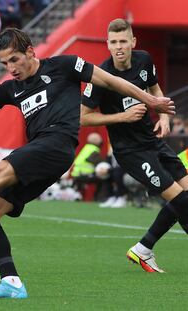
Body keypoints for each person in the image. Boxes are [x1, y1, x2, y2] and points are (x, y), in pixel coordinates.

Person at [0, 28, 174, 299]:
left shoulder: (64, 65)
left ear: (30, 52)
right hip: (41, 152)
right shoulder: (12, 89)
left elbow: (110, 81)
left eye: (14, 59)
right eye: (4, 62)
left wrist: (150, 100)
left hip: (58, 144)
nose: (11, 67)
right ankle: (10, 282)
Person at [80, 18, 188, 273]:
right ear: (108, 44)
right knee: (182, 201)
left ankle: (143, 249)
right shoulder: (101, 76)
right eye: (114, 42)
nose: (118, 47)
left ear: (132, 42)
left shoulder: (144, 60)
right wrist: (121, 117)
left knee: (185, 196)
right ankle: (143, 249)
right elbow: (82, 117)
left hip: (152, 141)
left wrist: (163, 117)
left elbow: (156, 89)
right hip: (131, 152)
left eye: (123, 41)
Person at [70, 132, 105, 200]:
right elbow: (100, 163)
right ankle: (99, 198)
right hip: (84, 175)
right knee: (103, 178)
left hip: (76, 174)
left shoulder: (86, 148)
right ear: (97, 141)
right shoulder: (94, 150)